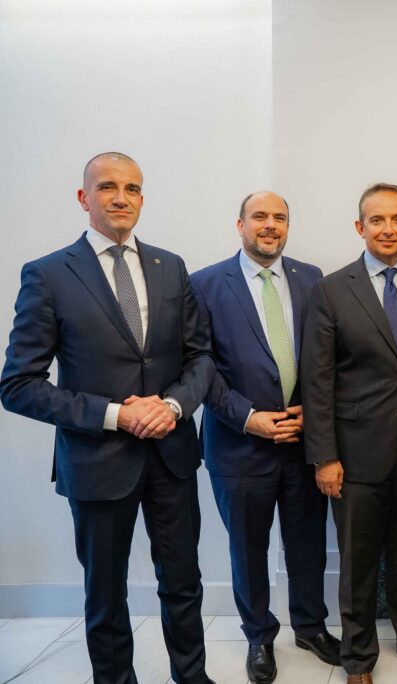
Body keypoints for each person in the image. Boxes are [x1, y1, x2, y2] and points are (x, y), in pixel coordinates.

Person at [0, 152, 215, 684]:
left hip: (171, 455)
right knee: (106, 592)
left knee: (183, 582)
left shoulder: (171, 266)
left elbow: (201, 358)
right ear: (84, 198)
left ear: (142, 198)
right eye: (108, 187)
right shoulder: (49, 274)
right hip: (97, 462)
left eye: (132, 188)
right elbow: (18, 385)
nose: (122, 198)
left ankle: (192, 676)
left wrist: (171, 406)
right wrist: (117, 414)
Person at [301, 183, 397, 684]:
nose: (388, 229)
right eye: (377, 220)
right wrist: (324, 456)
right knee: (358, 561)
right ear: (360, 227)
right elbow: (317, 380)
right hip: (354, 452)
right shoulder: (332, 290)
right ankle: (358, 657)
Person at [190, 191, 338, 683]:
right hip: (239, 445)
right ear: (240, 225)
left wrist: (313, 412)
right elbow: (199, 366)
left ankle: (311, 627)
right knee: (249, 549)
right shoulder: (205, 285)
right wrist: (247, 417)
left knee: (307, 543)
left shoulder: (312, 279)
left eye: (280, 217)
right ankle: (258, 635)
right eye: (260, 217)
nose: (270, 225)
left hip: (302, 442)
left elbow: (325, 356)